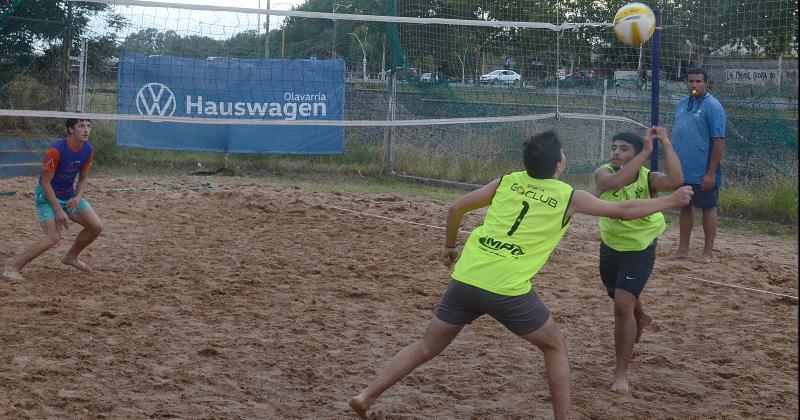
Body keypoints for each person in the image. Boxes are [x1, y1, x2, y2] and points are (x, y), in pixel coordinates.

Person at [349, 130, 693, 419]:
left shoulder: (507, 181)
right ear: (560, 164)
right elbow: (624, 210)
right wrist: (670, 201)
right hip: (507, 288)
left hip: (468, 276)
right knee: (555, 346)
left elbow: (456, 208)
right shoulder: (567, 195)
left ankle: (366, 395)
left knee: (427, 344)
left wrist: (450, 247)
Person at [592, 127, 684, 393]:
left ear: (636, 156)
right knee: (617, 294)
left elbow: (677, 180)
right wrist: (643, 151)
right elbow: (614, 184)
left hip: (640, 249)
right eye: (614, 147)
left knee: (622, 305)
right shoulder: (604, 173)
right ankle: (641, 316)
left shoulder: (648, 179)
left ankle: (620, 374)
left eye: (624, 149)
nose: (616, 153)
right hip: (610, 247)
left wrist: (665, 141)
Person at [3, 118, 103, 281]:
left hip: (69, 196)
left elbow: (83, 178)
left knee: (96, 226)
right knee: (53, 237)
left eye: (89, 126)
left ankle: (71, 257)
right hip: (47, 197)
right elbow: (44, 182)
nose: (86, 130)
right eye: (81, 126)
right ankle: (12, 268)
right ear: (71, 130)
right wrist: (58, 210)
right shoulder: (56, 150)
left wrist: (78, 197)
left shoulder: (88, 149)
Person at [670, 68, 726, 263]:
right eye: (691, 81)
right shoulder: (682, 104)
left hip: (703, 171)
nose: (694, 85)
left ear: (706, 84)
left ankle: (707, 253)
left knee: (708, 208)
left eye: (698, 81)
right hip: (682, 169)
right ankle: (683, 249)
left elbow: (719, 141)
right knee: (685, 206)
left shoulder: (713, 106)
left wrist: (710, 173)